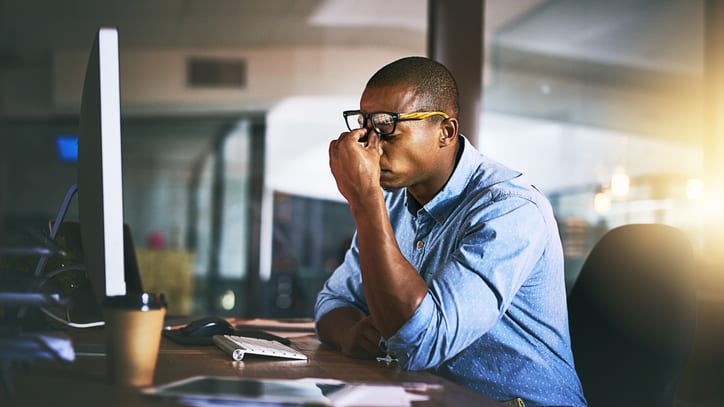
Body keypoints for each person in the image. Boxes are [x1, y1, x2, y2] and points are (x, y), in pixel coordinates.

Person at [314, 56, 586, 407]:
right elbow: (332, 301)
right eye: (364, 125)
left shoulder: (510, 209)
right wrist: (351, 331)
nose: (369, 144)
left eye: (387, 126)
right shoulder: (395, 203)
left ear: (446, 132)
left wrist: (364, 200)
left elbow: (421, 341)